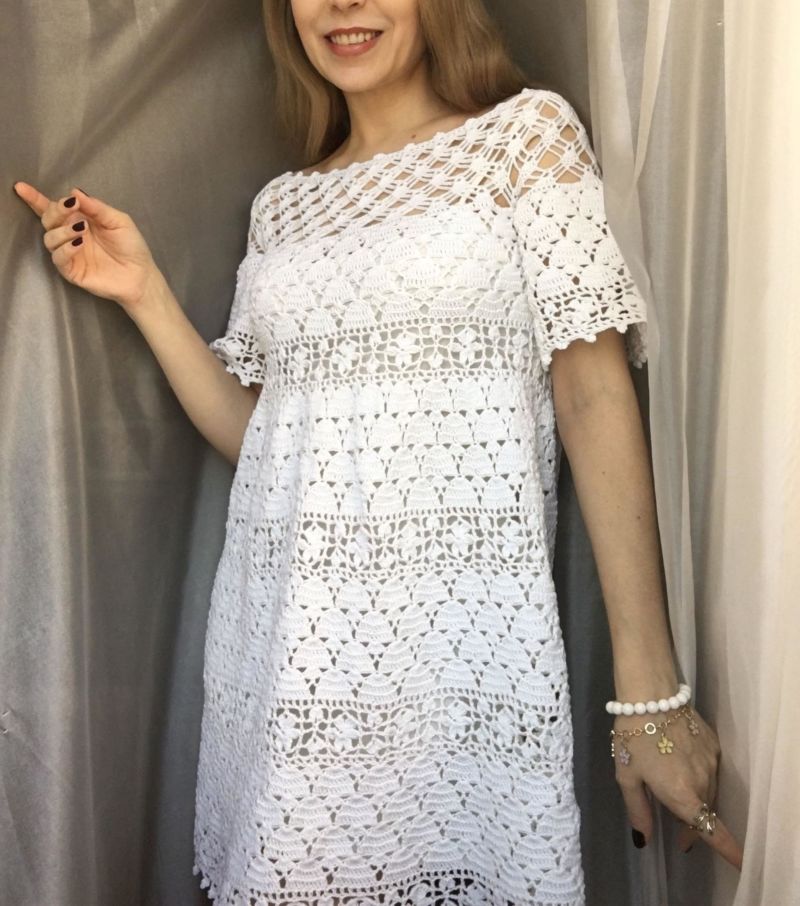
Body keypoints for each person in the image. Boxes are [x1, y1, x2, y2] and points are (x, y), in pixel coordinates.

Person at [14, 0, 744, 901]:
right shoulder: (283, 208)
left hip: (458, 671)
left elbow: (592, 394)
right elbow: (266, 441)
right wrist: (145, 293)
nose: (343, 4)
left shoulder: (527, 138)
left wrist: (651, 698)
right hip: (293, 674)